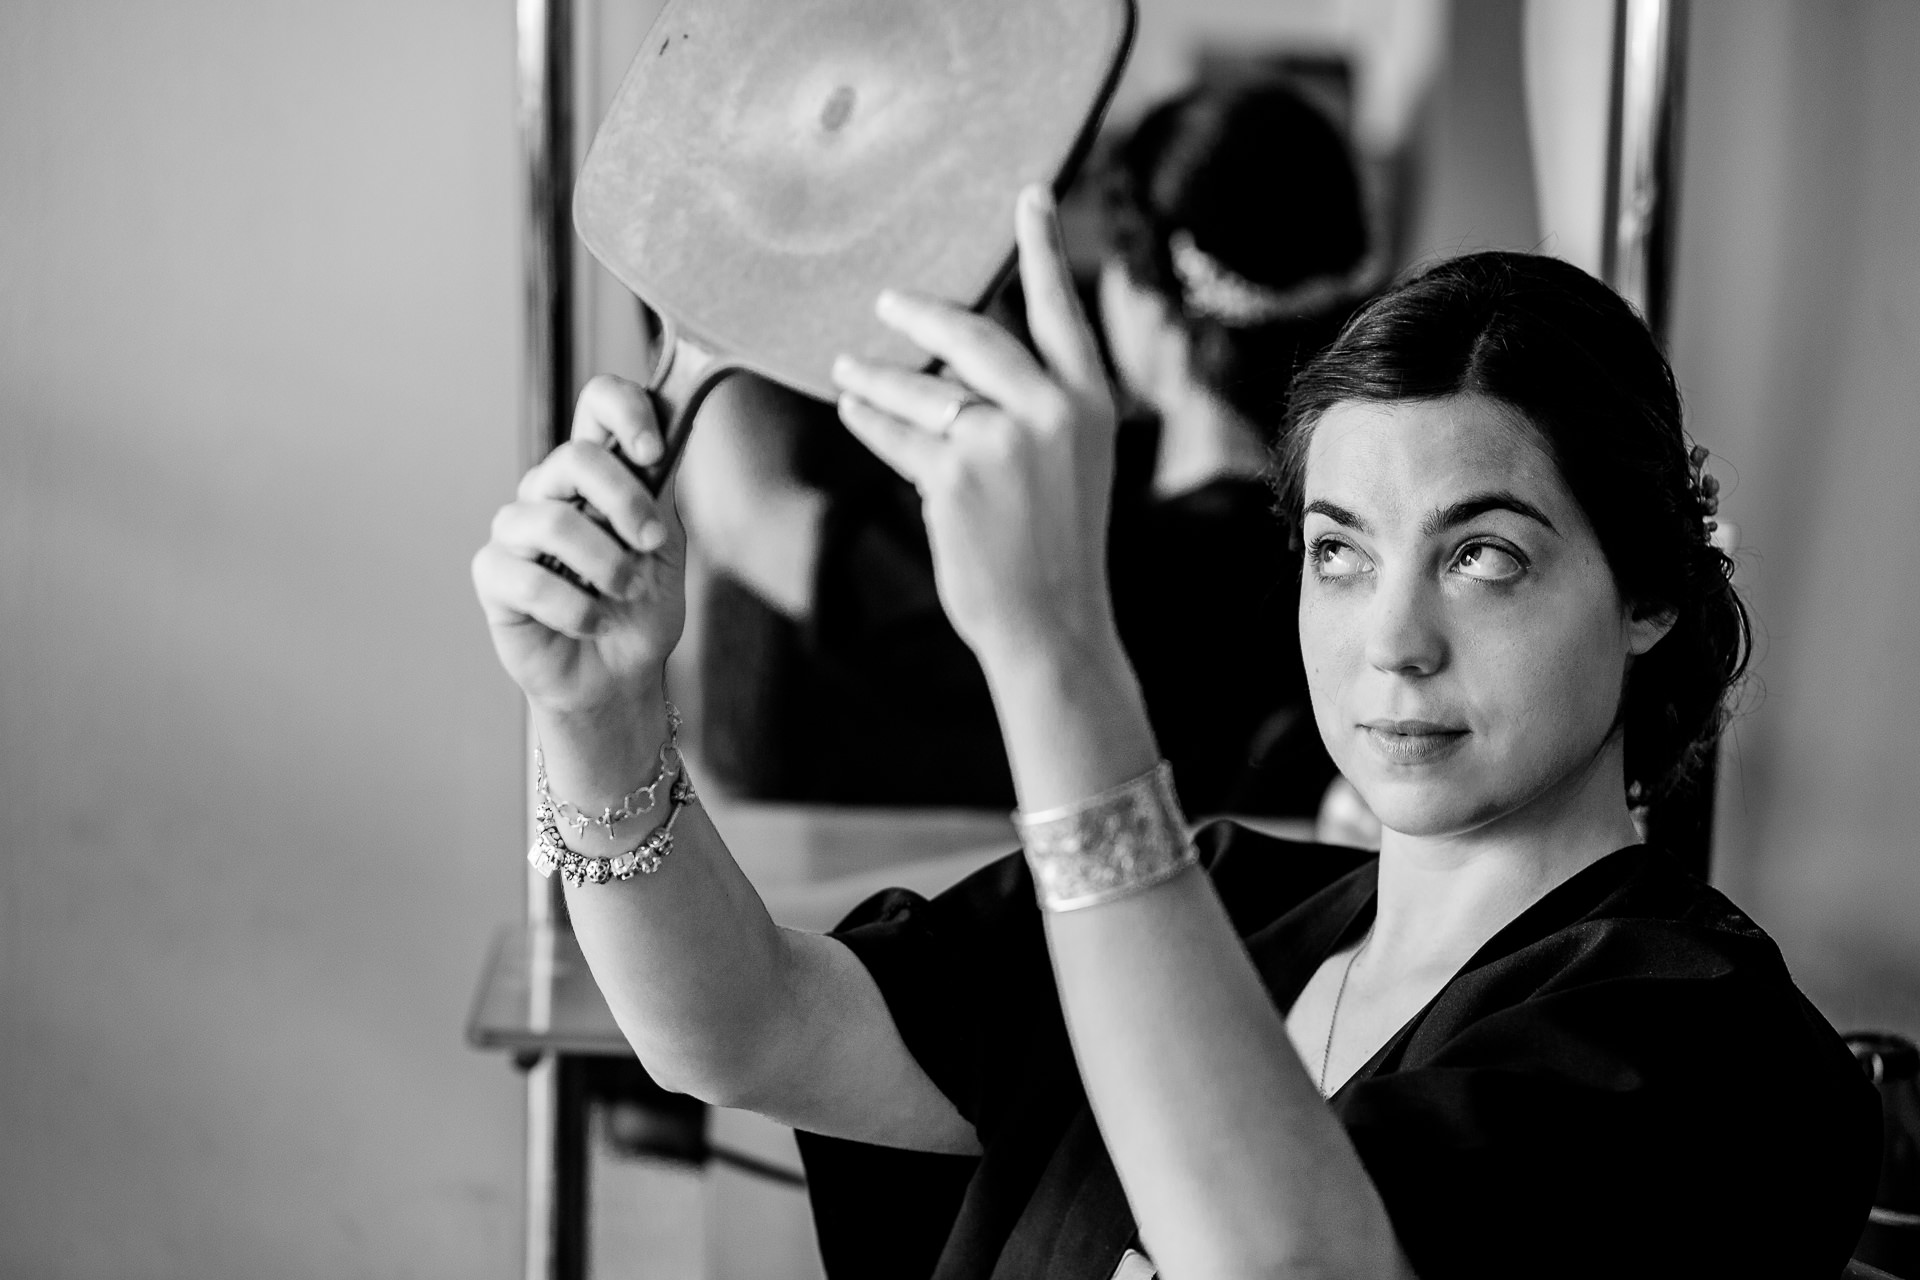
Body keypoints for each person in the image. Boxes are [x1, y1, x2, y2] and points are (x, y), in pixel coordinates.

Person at [470, 193, 1879, 1276]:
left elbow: (1290, 1260)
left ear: (1645, 596)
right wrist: (595, 711)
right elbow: (743, 1026)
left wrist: (1057, 648)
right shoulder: (1207, 909)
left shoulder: (1712, 1059)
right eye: (1340, 553)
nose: (1392, 637)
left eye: (1485, 557)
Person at [679, 78, 1369, 815]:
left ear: (1146, 294)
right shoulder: (1328, 538)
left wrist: (701, 276)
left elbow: (747, 519)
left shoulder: (1084, 545)